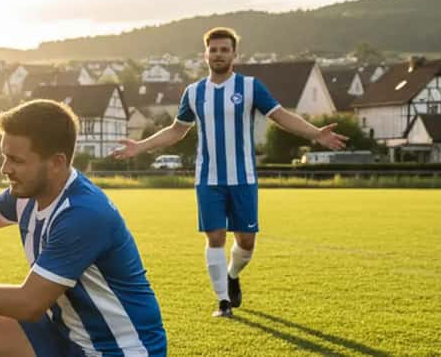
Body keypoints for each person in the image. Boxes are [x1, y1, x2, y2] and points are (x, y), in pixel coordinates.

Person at [111, 27, 348, 317]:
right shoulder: (194, 92)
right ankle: (223, 301)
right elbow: (176, 131)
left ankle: (233, 274)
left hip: (243, 177)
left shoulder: (250, 87)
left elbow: (281, 116)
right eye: (214, 50)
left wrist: (315, 134)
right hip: (208, 179)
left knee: (246, 242)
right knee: (215, 237)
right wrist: (140, 146)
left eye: (224, 50)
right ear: (205, 54)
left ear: (234, 54)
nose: (218, 54)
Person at [0, 99, 166, 357]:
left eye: (16, 160)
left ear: (56, 163)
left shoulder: (83, 214)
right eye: (5, 156)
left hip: (120, 349)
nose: (5, 169)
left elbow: (28, 304)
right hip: (66, 334)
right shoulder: (29, 194)